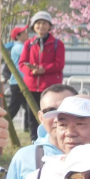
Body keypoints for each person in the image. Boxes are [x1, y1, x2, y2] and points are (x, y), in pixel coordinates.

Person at [3, 84, 77, 179]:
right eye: (50, 111)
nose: (58, 118)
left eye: (65, 110)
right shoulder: (24, 156)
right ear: (41, 117)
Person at [19, 11, 66, 140]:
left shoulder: (57, 44)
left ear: (49, 26)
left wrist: (43, 69)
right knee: (32, 115)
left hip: (50, 87)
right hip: (32, 86)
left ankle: (52, 138)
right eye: (38, 23)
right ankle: (34, 139)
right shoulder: (29, 44)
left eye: (44, 23)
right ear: (34, 26)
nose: (41, 26)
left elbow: (59, 64)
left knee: (50, 115)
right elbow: (22, 63)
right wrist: (31, 71)